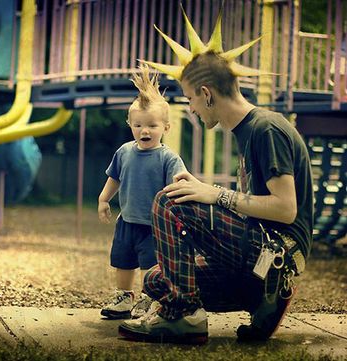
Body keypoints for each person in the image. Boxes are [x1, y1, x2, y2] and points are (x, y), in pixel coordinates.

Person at [118, 8, 313, 344]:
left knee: (170, 199)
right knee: (155, 280)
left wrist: (215, 194)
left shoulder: (266, 128)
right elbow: (249, 210)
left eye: (191, 98)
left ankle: (185, 316)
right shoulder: (246, 132)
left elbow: (285, 209)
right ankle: (262, 301)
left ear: (206, 94)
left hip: (276, 256)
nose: (191, 107)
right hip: (255, 263)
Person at [98, 65, 187, 320]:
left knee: (151, 265)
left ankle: (151, 298)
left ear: (166, 128)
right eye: (138, 125)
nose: (144, 131)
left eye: (152, 125)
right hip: (126, 221)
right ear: (130, 124)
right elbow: (114, 177)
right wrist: (104, 199)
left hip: (154, 225)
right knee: (122, 261)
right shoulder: (124, 152)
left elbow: (178, 187)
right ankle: (124, 297)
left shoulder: (168, 158)